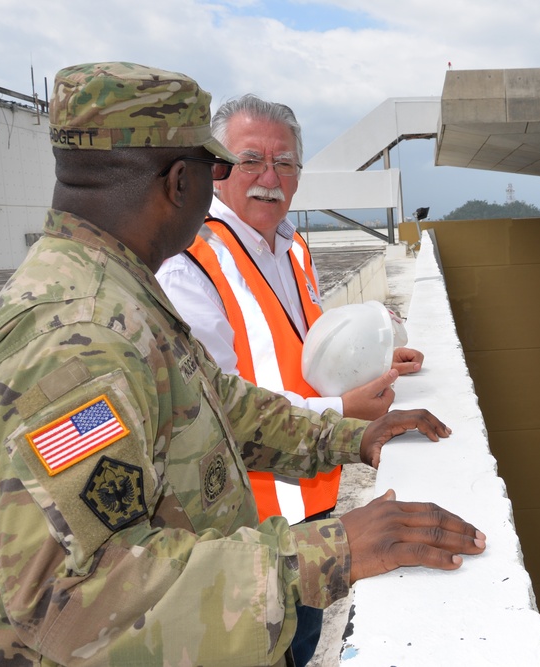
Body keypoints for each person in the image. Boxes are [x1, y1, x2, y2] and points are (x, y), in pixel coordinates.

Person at [0, 61, 484, 666]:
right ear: (180, 181)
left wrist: (353, 436)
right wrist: (329, 549)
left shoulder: (117, 293)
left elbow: (223, 405)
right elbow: (78, 599)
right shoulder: (74, 340)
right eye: (219, 167)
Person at [155, 94, 422, 664]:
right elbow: (211, 409)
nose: (269, 178)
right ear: (217, 169)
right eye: (251, 160)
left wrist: (378, 360)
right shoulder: (191, 263)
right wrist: (346, 411)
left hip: (310, 495)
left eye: (286, 164)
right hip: (245, 522)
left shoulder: (291, 247)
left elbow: (310, 350)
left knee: (300, 643)